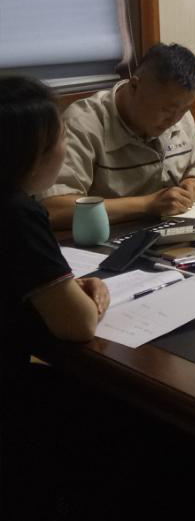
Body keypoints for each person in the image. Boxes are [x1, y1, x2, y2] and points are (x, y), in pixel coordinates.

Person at [1, 76, 111, 515]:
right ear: (31, 153)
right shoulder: (17, 212)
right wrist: (88, 297)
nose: (65, 150)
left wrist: (58, 288)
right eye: (62, 138)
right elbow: (77, 324)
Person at [41, 43, 195, 228]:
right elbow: (54, 207)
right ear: (134, 86)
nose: (174, 119)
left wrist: (193, 184)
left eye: (184, 109)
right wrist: (147, 205)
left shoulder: (180, 115)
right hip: (107, 236)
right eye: (166, 110)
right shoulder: (83, 123)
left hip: (173, 231)